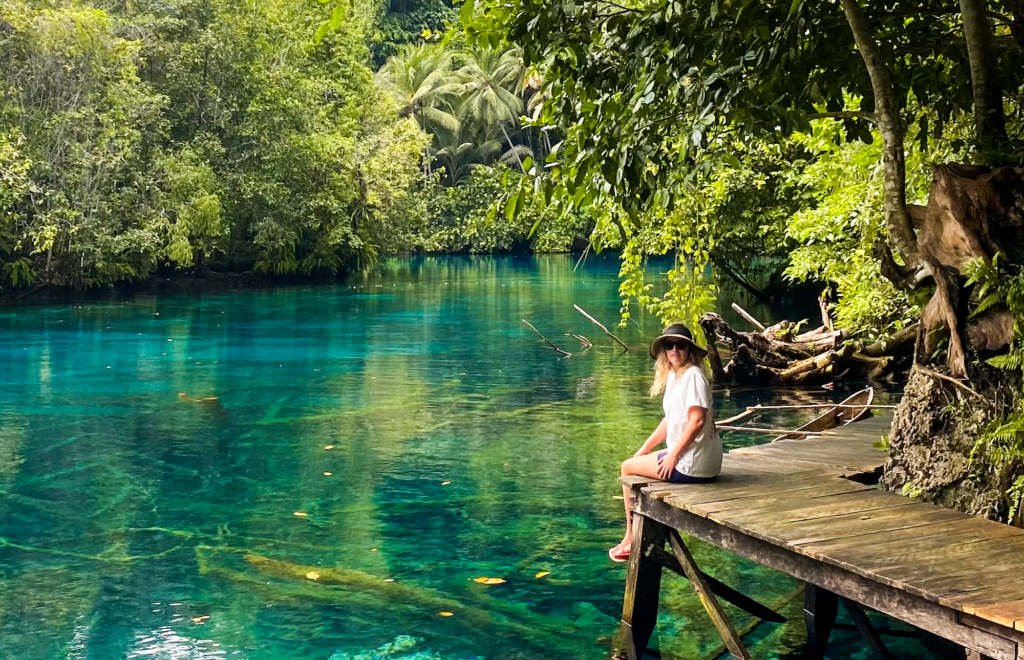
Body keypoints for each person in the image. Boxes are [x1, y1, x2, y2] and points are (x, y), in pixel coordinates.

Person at [609, 323, 722, 562]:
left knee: (627, 468)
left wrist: (672, 456)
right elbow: (670, 421)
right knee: (634, 461)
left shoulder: (692, 375)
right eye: (669, 345)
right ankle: (631, 534)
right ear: (664, 351)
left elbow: (697, 420)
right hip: (697, 461)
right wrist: (645, 448)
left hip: (693, 465)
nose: (674, 350)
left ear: (689, 350)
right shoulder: (675, 375)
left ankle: (630, 537)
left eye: (680, 345)